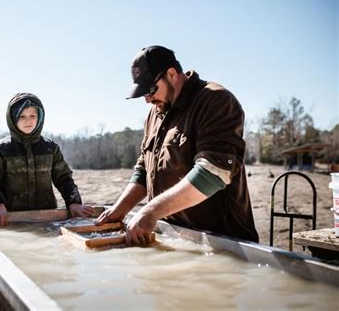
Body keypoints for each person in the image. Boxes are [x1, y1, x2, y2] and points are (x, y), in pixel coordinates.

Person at [96, 45, 259, 244]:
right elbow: (144, 168)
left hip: (222, 244)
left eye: (150, 90)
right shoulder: (155, 113)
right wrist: (120, 209)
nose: (147, 99)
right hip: (175, 237)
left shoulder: (215, 101)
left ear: (172, 74)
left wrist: (150, 211)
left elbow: (211, 173)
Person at [0, 92, 94, 225]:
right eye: (22, 116)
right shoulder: (1, 149)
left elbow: (64, 179)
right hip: (12, 217)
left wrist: (74, 202)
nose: (28, 120)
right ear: (12, 118)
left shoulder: (50, 148)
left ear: (40, 117)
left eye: (32, 115)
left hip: (47, 215)